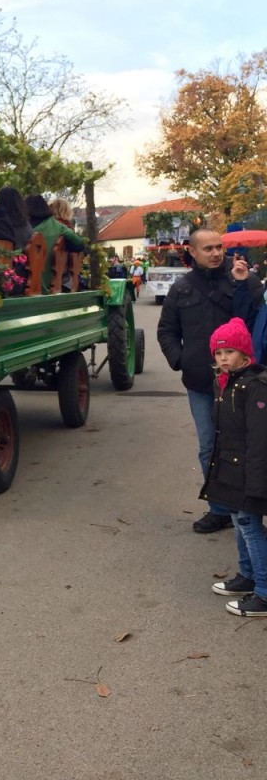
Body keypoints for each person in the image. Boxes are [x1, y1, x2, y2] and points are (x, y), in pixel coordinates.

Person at [157, 228, 264, 533]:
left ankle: (247, 510)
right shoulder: (181, 289)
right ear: (192, 252)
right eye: (208, 249)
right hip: (202, 382)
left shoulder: (241, 278)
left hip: (243, 383)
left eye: (219, 247)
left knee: (245, 445)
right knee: (209, 446)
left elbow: (259, 319)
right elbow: (166, 331)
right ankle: (219, 509)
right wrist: (181, 361)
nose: (216, 253)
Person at [202, 318, 267, 617]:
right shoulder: (223, 383)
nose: (223, 358)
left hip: (248, 471)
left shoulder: (254, 386)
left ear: (245, 354)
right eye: (218, 352)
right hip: (230, 469)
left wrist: (256, 483)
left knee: (251, 527)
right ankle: (248, 576)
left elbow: (259, 439)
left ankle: (264, 592)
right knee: (240, 523)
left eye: (229, 351)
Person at [24, 194, 86, 293]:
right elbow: (80, 245)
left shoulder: (22, 228)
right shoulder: (59, 227)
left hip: (26, 284)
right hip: (54, 282)